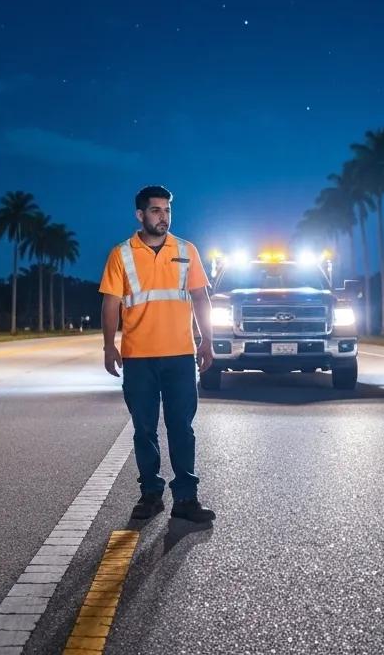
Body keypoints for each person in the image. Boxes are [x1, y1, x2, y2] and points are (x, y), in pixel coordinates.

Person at [99, 185, 216, 524]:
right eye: (155, 210)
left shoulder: (186, 250)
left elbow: (200, 299)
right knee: (144, 429)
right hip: (139, 358)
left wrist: (207, 340)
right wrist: (110, 345)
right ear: (140, 215)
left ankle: (186, 498)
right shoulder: (121, 254)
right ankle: (150, 494)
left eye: (166, 210)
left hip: (180, 355)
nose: (162, 216)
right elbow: (110, 303)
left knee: (182, 427)